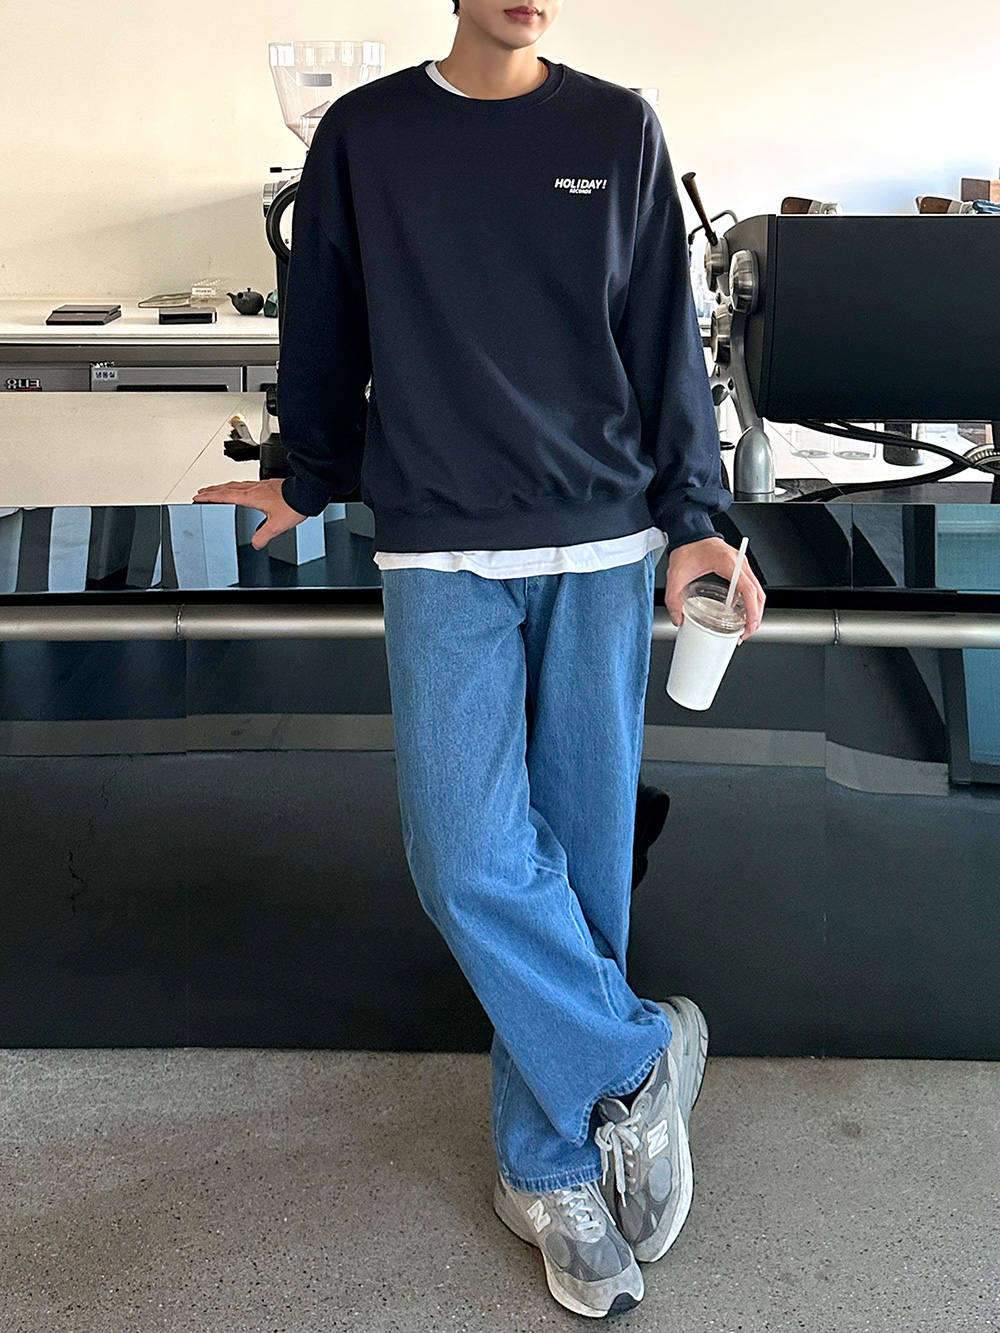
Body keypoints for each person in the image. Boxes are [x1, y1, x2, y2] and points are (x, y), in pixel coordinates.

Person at [194, 0, 766, 1317]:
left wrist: (697, 520)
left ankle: (548, 1166)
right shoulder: (367, 134)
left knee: (580, 859)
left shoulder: (617, 128)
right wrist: (308, 473)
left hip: (604, 540)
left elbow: (663, 341)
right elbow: (326, 325)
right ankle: (635, 1064)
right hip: (440, 542)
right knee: (465, 856)